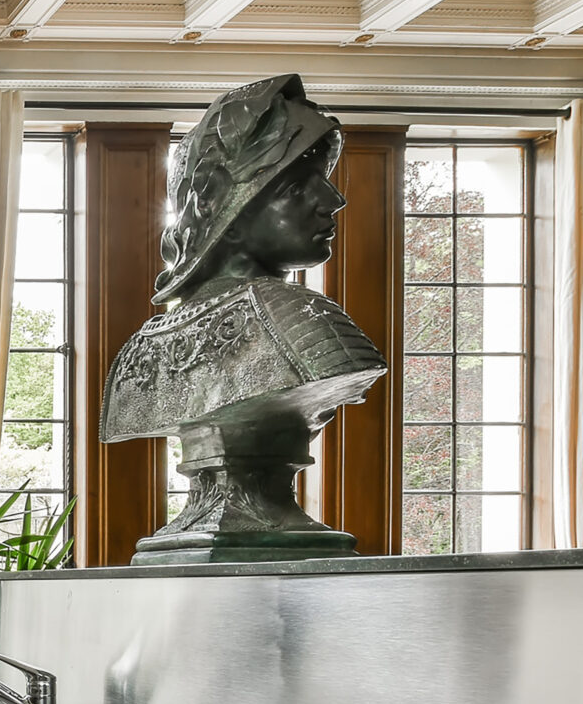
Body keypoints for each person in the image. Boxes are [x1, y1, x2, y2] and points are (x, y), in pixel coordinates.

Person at [98, 73, 386, 561]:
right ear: (229, 208)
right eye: (300, 186)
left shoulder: (139, 349)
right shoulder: (302, 320)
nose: (333, 201)